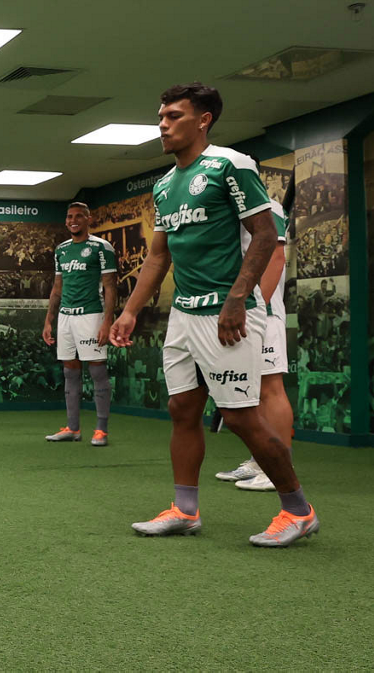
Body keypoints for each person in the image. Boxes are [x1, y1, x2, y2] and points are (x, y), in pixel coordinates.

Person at [110, 82, 317, 547]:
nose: (163, 125)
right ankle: (185, 510)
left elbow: (264, 235)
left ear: (204, 120)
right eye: (161, 117)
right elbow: (158, 256)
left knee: (241, 416)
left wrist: (236, 300)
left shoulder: (230, 164)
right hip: (184, 315)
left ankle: (298, 510)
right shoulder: (164, 185)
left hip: (228, 311)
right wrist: (129, 311)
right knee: (182, 409)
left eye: (174, 116)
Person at [215, 194, 294, 490]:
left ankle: (280, 468)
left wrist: (255, 308)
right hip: (243, 310)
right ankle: (260, 461)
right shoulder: (231, 209)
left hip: (264, 313)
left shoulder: (267, 205)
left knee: (271, 388)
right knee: (255, 391)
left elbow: (276, 257)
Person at [42, 202, 117, 446]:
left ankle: (101, 430)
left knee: (97, 371)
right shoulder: (61, 250)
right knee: (69, 372)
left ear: (88, 219)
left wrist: (107, 322)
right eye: (69, 217)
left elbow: (110, 286)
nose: (73, 220)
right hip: (66, 316)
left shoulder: (101, 247)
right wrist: (49, 320)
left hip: (91, 315)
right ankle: (72, 428)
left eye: (78, 216)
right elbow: (57, 288)